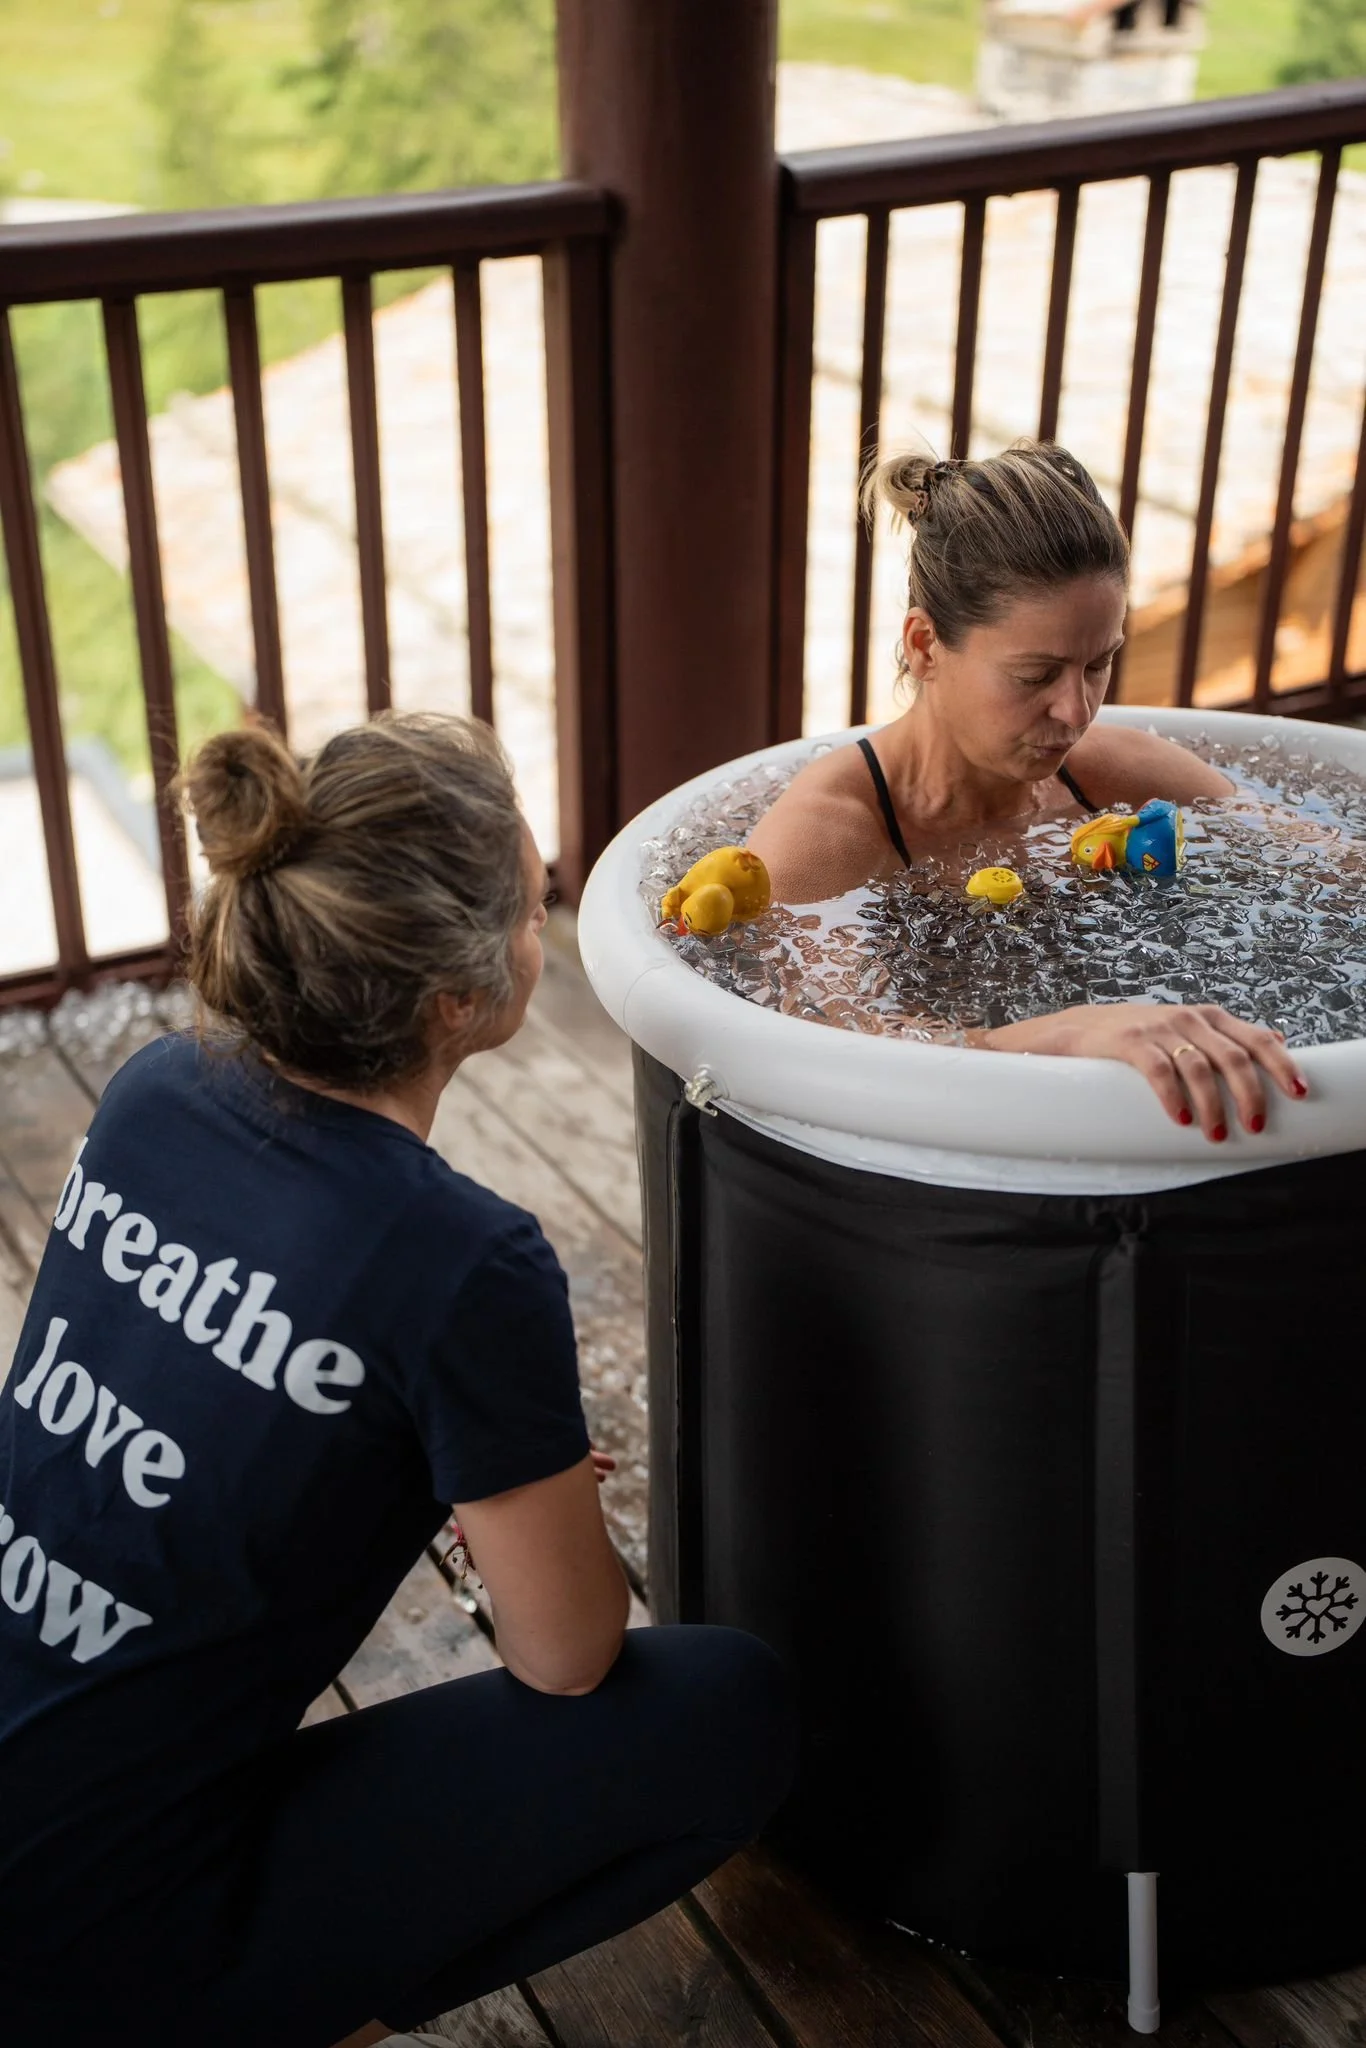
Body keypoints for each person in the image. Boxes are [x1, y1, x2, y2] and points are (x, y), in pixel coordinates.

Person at [0, 714, 795, 2048]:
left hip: (42, 1789)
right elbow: (568, 1657)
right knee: (728, 1712)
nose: (540, 923)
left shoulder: (155, 1087)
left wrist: (451, 1466)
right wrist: (525, 1508)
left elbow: (211, 1395)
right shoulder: (462, 1259)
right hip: (84, 1944)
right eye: (530, 907)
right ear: (455, 1001)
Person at [748, 441, 1310, 1145]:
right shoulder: (828, 837)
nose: (1077, 711)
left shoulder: (1116, 776)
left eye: (1099, 663)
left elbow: (1331, 865)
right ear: (924, 646)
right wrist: (1064, 1036)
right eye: (1035, 675)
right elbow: (834, 1041)